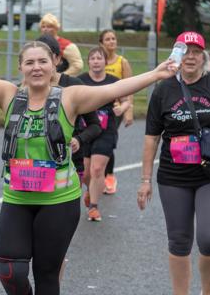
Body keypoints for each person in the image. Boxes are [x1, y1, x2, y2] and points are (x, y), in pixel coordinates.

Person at [0, 11, 175, 294]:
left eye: (43, 61)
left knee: (46, 275)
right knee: (10, 271)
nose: (36, 67)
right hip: (17, 197)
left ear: (55, 64)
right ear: (21, 68)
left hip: (58, 201)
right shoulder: (8, 95)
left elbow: (114, 88)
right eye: (29, 63)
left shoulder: (70, 97)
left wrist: (156, 74)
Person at [138, 31, 210, 295]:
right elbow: (151, 138)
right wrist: (145, 180)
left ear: (203, 56)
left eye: (196, 52)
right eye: (185, 51)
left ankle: (207, 292)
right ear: (177, 55)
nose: (190, 57)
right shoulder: (163, 90)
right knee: (179, 240)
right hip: (173, 176)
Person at [35, 34, 102, 280]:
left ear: (57, 59)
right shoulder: (29, 85)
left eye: (45, 58)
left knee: (54, 246)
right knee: (32, 243)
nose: (38, 65)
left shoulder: (72, 85)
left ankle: (51, 285)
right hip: (34, 170)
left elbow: (96, 125)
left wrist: (79, 139)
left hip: (69, 166)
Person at [78, 47, 131, 221]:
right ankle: (91, 190)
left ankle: (93, 206)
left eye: (99, 58)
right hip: (85, 129)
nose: (96, 61)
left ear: (105, 62)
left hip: (106, 128)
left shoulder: (114, 81)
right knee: (85, 173)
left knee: (98, 169)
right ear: (88, 62)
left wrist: (121, 109)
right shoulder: (80, 80)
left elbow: (126, 101)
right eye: (92, 58)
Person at [99, 29, 134, 194]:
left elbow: (129, 87)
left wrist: (128, 111)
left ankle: (110, 176)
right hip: (98, 107)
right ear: (101, 43)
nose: (112, 42)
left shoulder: (122, 62)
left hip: (115, 109)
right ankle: (98, 176)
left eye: (113, 39)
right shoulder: (97, 60)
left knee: (107, 141)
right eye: (108, 39)